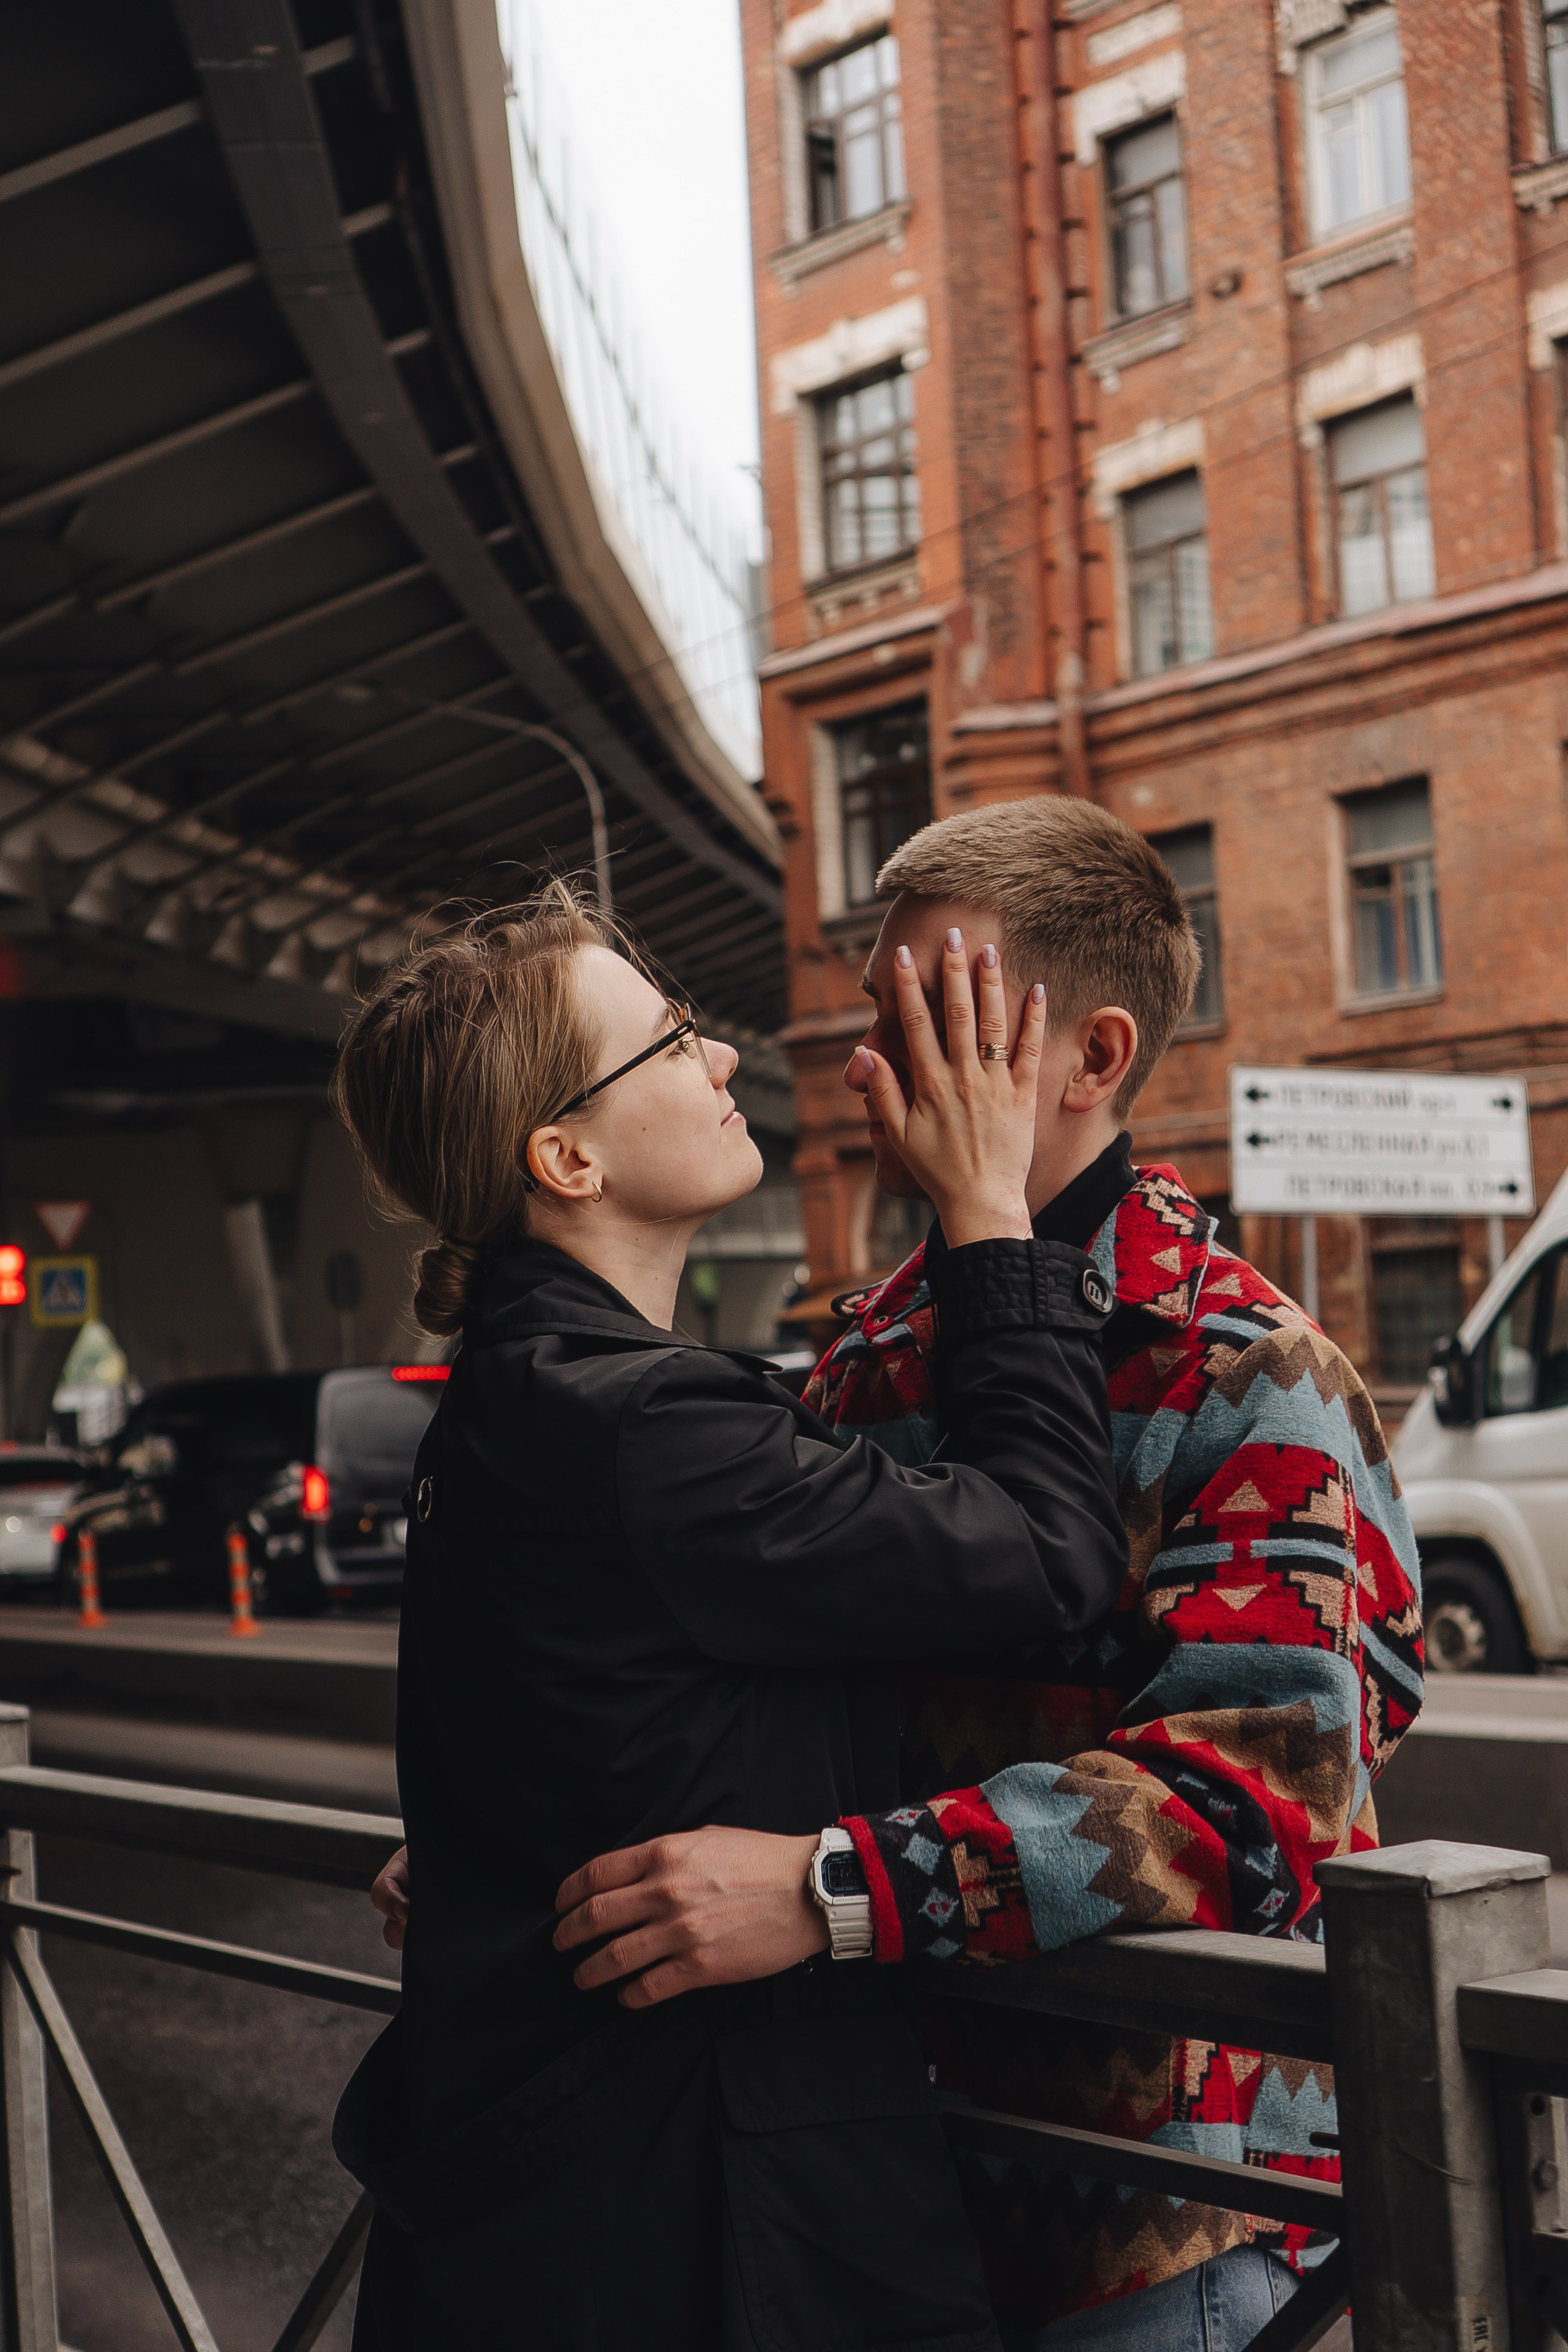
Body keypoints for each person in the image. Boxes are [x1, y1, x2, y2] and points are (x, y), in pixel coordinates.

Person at [542, 802, 1425, 2352]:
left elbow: (1253, 1797)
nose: (867, 1071)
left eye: (927, 1022)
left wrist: (833, 1892)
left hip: (1157, 2212)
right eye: (873, 1018)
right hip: (874, 2167)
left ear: (1089, 1060)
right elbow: (766, 1701)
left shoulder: (1245, 1368)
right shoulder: (874, 1350)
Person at [331, 882, 1130, 2350]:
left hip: (562, 2194)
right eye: (670, 1043)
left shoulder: (511, 1405)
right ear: (565, 1156)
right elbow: (1044, 1551)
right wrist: (987, 1215)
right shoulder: (646, 1427)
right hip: (706, 2218)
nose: (719, 1063)